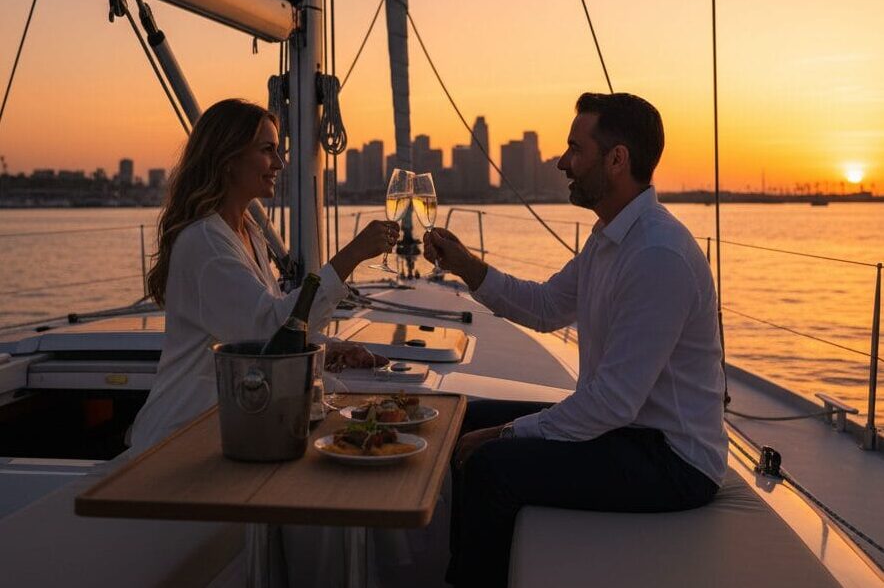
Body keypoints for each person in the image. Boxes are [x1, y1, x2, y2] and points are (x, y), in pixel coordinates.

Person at [424, 92, 728, 588]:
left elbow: (613, 402)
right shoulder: (611, 238)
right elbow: (545, 307)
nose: (562, 162)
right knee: (464, 415)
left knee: (491, 467)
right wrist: (464, 266)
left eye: (574, 149)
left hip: (672, 458)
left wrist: (508, 435)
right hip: (626, 430)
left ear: (617, 159)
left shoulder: (657, 254)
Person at [129, 98, 396, 452]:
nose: (280, 163)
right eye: (267, 150)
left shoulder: (246, 231)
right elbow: (270, 333)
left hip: (228, 425)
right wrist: (351, 256)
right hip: (180, 439)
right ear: (229, 160)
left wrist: (331, 350)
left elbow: (268, 324)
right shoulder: (205, 244)